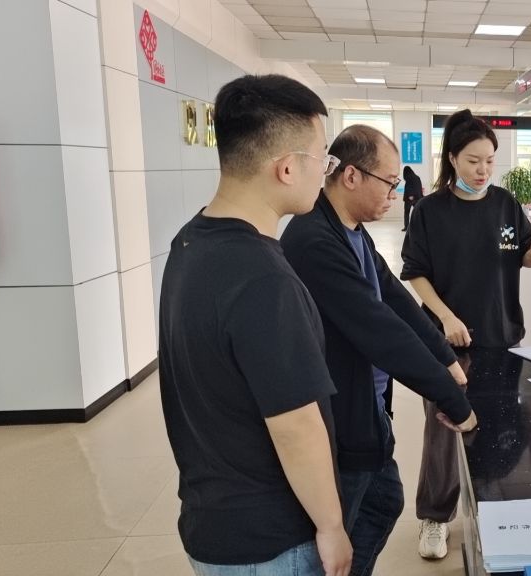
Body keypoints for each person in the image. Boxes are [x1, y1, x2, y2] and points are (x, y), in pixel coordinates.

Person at [158, 74, 351, 576]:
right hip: (269, 543)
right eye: (323, 158)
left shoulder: (190, 241)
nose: (326, 171)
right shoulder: (264, 278)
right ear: (287, 168)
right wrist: (331, 525)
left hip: (211, 519)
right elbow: (295, 426)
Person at [281, 125, 478, 576]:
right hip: (338, 419)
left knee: (384, 500)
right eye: (389, 183)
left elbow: (393, 297)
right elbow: (379, 331)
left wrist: (445, 357)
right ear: (351, 176)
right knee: (349, 525)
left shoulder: (350, 229)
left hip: (367, 408)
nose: (396, 194)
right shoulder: (314, 240)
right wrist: (453, 401)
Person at [400, 109, 531, 559]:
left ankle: (489, 503)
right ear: (452, 159)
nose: (483, 169)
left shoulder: (505, 204)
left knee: (499, 425)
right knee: (443, 432)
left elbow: (519, 254)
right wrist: (447, 317)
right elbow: (416, 273)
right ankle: (435, 516)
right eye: (473, 161)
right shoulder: (430, 211)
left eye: (489, 160)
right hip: (446, 344)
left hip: (502, 335)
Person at [402, 165, 423, 231]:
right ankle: (419, 226)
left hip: (410, 198)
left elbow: (408, 188)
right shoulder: (417, 177)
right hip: (418, 198)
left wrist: (410, 195)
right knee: (418, 213)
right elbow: (419, 188)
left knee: (406, 213)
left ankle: (406, 227)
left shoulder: (409, 178)